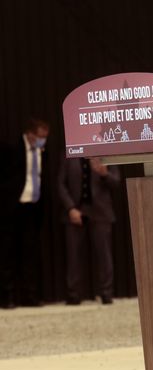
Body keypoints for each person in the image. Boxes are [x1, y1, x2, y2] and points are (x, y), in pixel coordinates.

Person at [0, 118, 50, 308]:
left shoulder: (43, 152)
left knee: (30, 255)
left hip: (32, 208)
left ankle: (30, 296)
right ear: (30, 134)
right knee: (8, 253)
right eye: (40, 137)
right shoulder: (12, 148)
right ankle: (8, 297)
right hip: (12, 208)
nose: (42, 141)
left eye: (45, 138)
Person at [57, 156, 120, 305]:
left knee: (104, 254)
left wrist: (105, 174)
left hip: (100, 212)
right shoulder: (69, 154)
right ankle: (73, 295)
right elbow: (60, 184)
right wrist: (70, 208)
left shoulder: (106, 154)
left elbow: (116, 182)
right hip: (76, 212)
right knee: (73, 255)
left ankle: (106, 293)